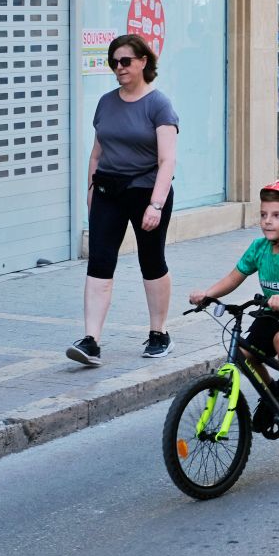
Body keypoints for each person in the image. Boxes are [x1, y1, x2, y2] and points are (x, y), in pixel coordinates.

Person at [67, 34, 179, 366]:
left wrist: (156, 204)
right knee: (99, 263)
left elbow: (167, 161)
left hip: (146, 191)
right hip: (107, 191)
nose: (119, 68)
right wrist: (90, 192)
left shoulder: (159, 104)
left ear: (144, 61)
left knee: (151, 260)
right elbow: (96, 154)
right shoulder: (105, 102)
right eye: (114, 62)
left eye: (125, 61)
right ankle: (91, 341)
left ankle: (159, 333)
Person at [188, 180, 279, 432]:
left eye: (277, 215)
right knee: (245, 356)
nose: (267, 221)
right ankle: (275, 392)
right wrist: (208, 294)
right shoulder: (259, 248)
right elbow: (234, 277)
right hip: (274, 311)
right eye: (264, 215)